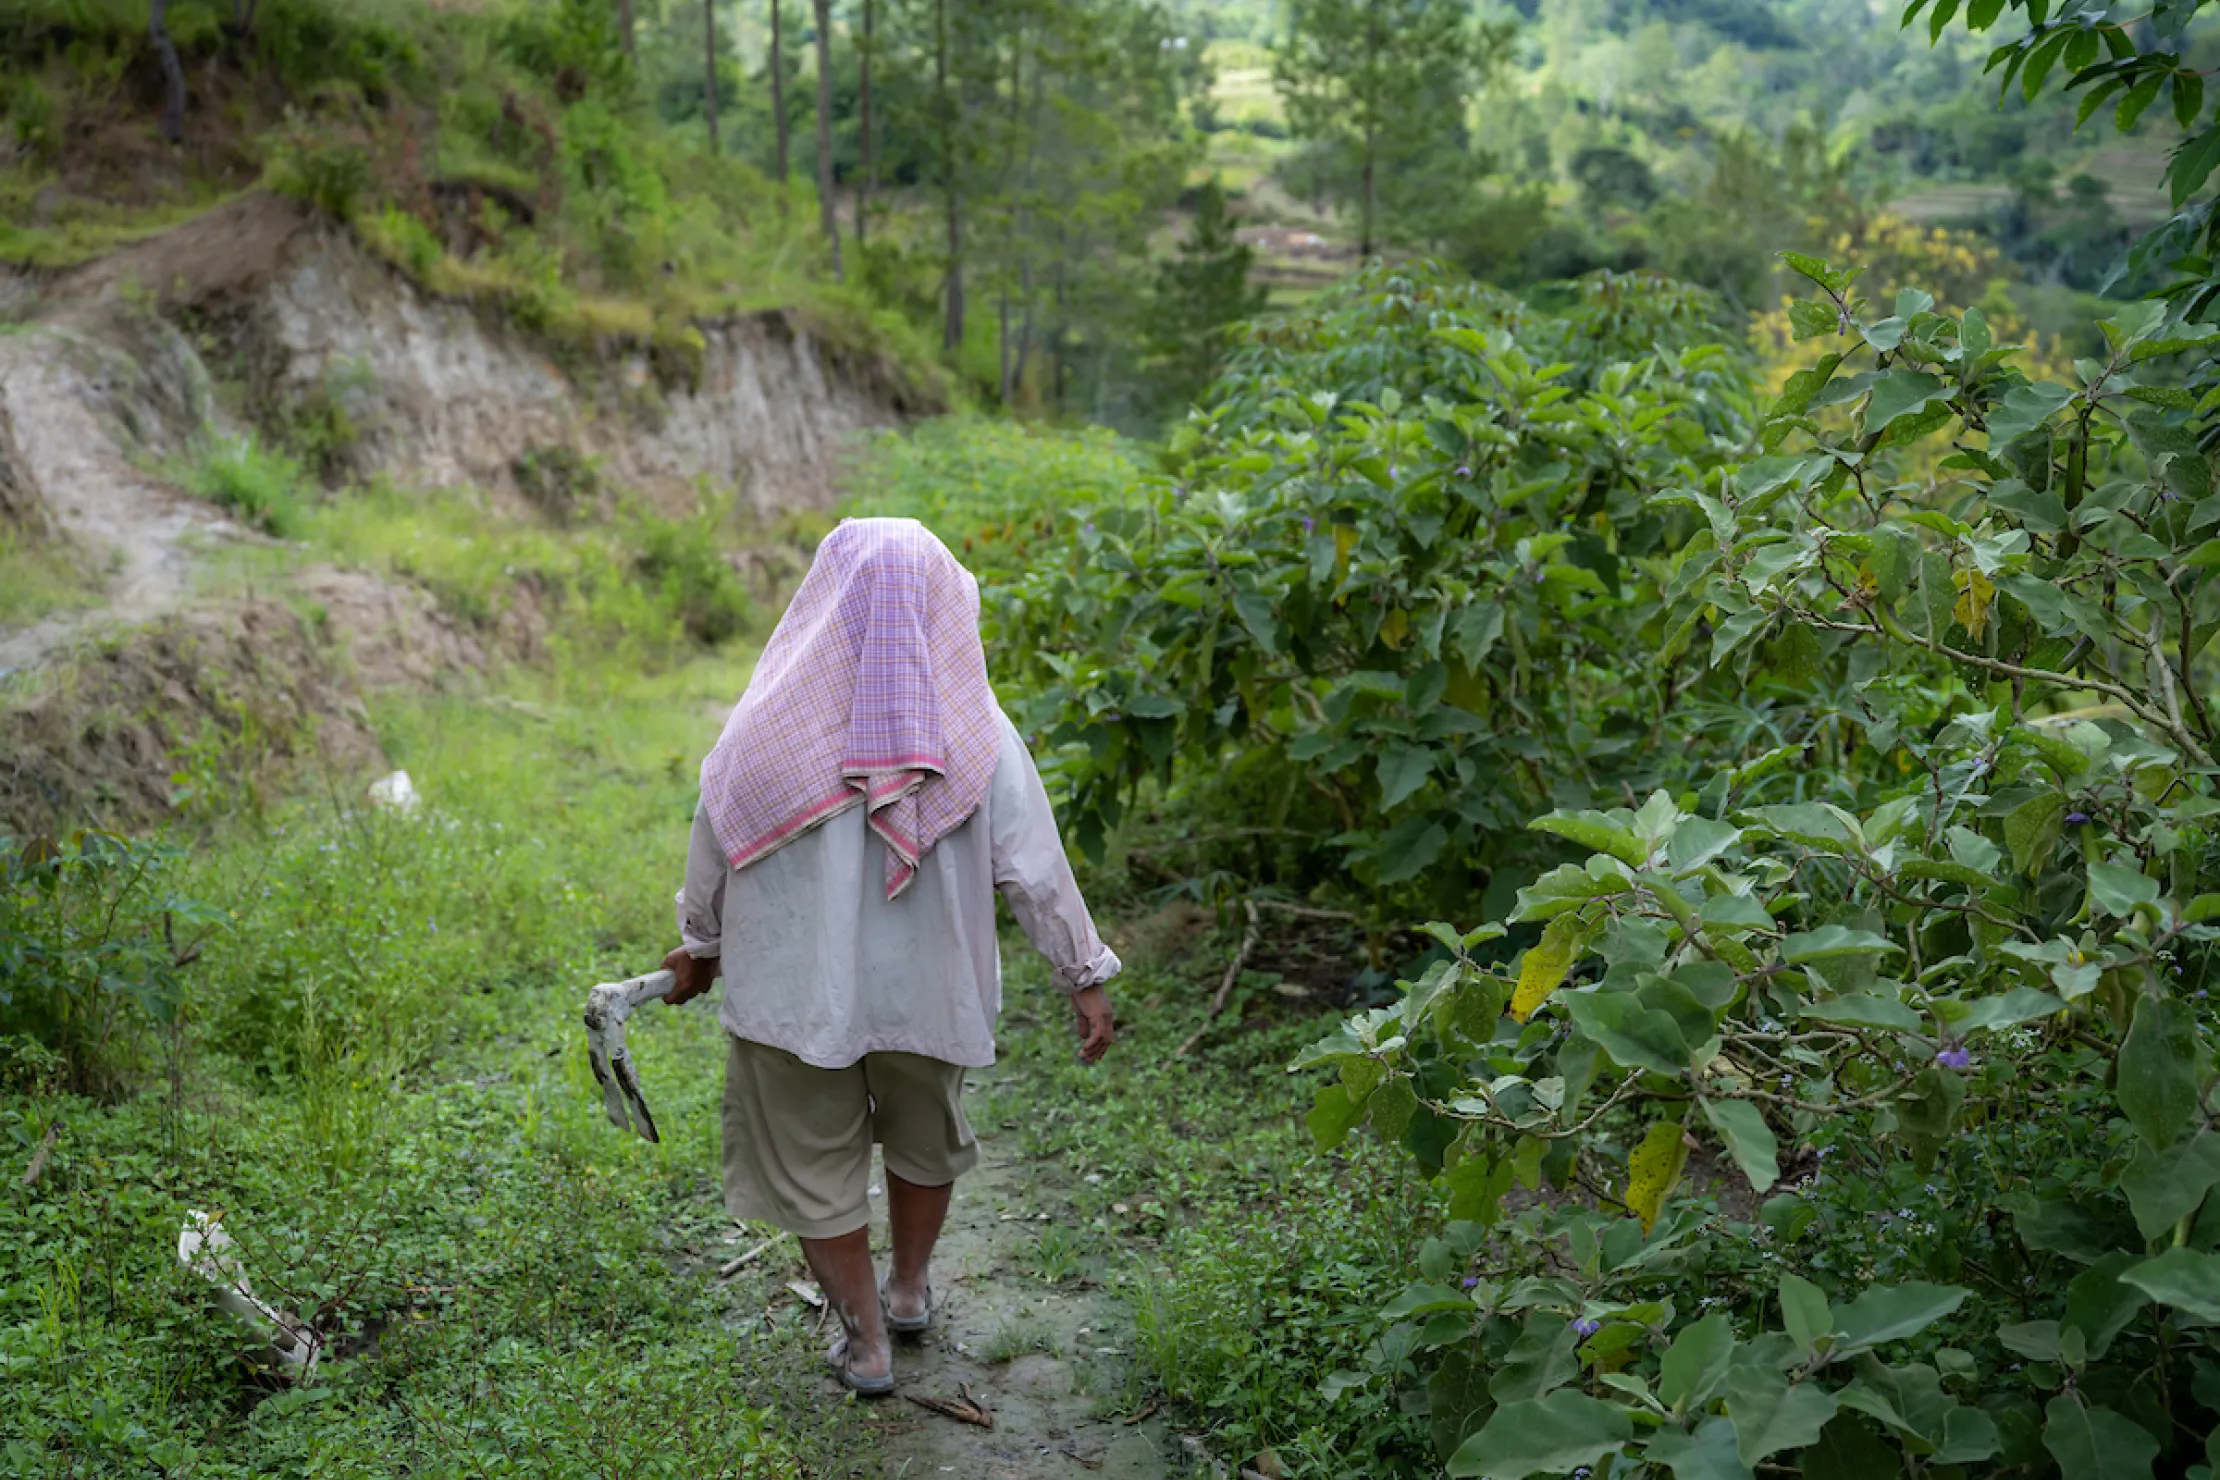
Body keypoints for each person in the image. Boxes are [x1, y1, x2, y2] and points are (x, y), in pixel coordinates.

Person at [662, 516, 1120, 1395]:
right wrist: (1083, 974)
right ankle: (909, 1290)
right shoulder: (978, 733)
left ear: (824, 600)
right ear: (945, 605)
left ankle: (867, 1342)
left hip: (794, 999)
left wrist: (702, 947)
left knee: (811, 1162)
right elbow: (1035, 866)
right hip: (932, 993)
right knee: (924, 1137)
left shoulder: (765, 726)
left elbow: (712, 848)